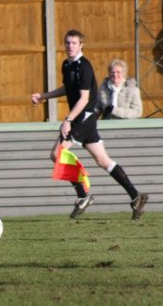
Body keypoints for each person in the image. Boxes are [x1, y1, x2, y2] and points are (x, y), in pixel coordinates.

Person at [30, 29, 148, 220]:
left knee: (56, 154)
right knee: (103, 161)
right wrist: (44, 96)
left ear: (81, 45)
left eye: (74, 43)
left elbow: (84, 98)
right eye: (67, 42)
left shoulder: (84, 67)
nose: (70, 46)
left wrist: (67, 120)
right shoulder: (67, 65)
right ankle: (136, 196)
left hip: (84, 116)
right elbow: (67, 89)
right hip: (83, 118)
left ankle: (83, 196)